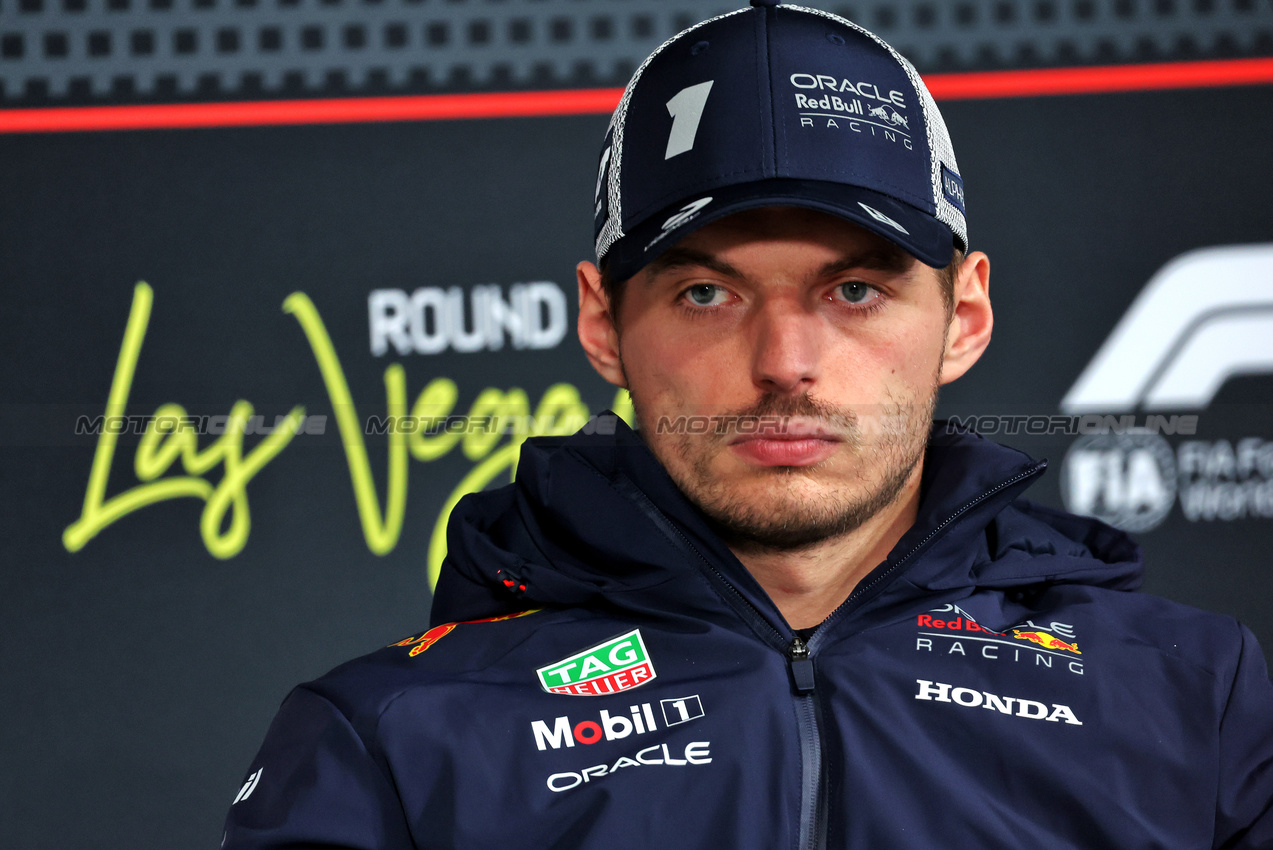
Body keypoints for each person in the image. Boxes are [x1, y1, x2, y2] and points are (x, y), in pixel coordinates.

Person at [222, 2, 1273, 847]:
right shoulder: (395, 739)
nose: (784, 364)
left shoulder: (1194, 702)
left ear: (964, 317)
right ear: (601, 323)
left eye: (855, 291)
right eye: (706, 295)